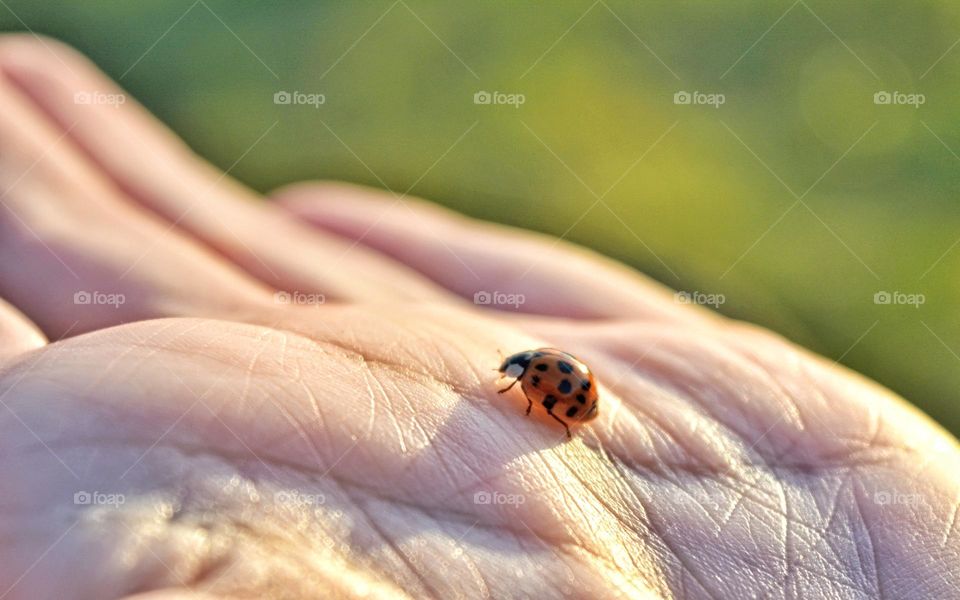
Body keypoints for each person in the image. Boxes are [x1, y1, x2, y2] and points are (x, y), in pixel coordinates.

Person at [0, 35, 956, 599]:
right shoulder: (546, 377)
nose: (527, 385)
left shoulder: (542, 376)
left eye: (532, 380)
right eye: (535, 380)